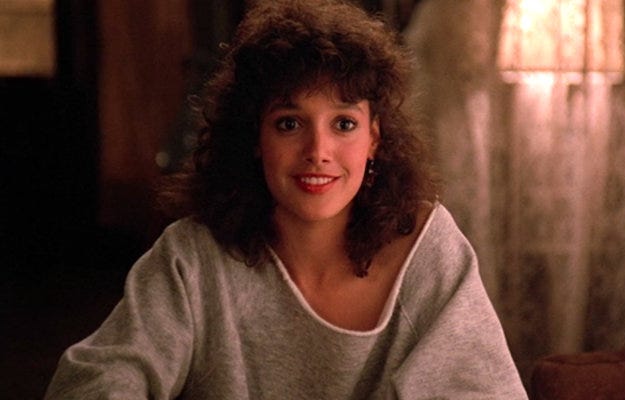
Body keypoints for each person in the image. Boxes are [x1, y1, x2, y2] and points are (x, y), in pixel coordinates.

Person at [45, 0, 527, 398]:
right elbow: (93, 381)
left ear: (374, 139)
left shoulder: (427, 249)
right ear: (256, 138)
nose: (318, 151)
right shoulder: (193, 257)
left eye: (344, 124)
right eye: (289, 123)